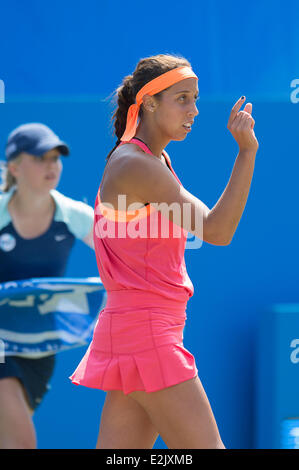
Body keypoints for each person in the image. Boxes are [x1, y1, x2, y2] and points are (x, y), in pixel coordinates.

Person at [70, 54, 259, 449]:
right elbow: (217, 230)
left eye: (196, 99)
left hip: (134, 332)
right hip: (147, 337)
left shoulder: (153, 160)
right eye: (183, 98)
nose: (194, 110)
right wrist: (246, 152)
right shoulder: (138, 166)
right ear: (151, 102)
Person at [0, 122, 95, 449]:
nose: (51, 165)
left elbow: (123, 259)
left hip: (39, 345)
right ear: (14, 167)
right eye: (40, 157)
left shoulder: (75, 215)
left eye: (56, 157)